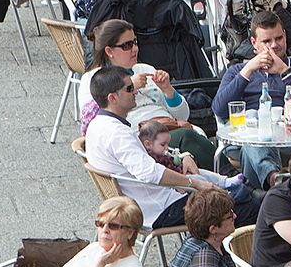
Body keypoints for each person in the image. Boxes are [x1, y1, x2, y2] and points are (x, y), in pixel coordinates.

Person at [86, 65, 256, 232]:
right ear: (112, 98)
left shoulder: (97, 125)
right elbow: (150, 172)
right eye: (129, 88)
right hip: (158, 209)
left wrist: (183, 156)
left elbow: (150, 158)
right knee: (246, 204)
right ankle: (226, 255)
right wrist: (195, 183)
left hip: (149, 202)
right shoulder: (117, 133)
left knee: (238, 194)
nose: (135, 92)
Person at [212, 12, 291, 183]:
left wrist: (285, 71)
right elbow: (219, 109)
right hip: (243, 139)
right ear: (254, 43)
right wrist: (248, 71)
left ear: (285, 36)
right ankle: (274, 179)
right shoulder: (237, 71)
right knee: (255, 141)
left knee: (252, 149)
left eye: (278, 38)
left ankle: (266, 191)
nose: (274, 45)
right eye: (267, 41)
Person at [79, 20, 217, 168]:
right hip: (139, 138)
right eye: (127, 45)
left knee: (194, 134)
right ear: (109, 51)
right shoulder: (95, 79)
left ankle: (220, 180)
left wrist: (167, 90)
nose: (135, 49)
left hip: (169, 125)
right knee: (188, 138)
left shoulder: (145, 68)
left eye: (135, 42)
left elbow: (183, 115)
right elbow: (91, 122)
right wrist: (127, 87)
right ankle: (227, 177)